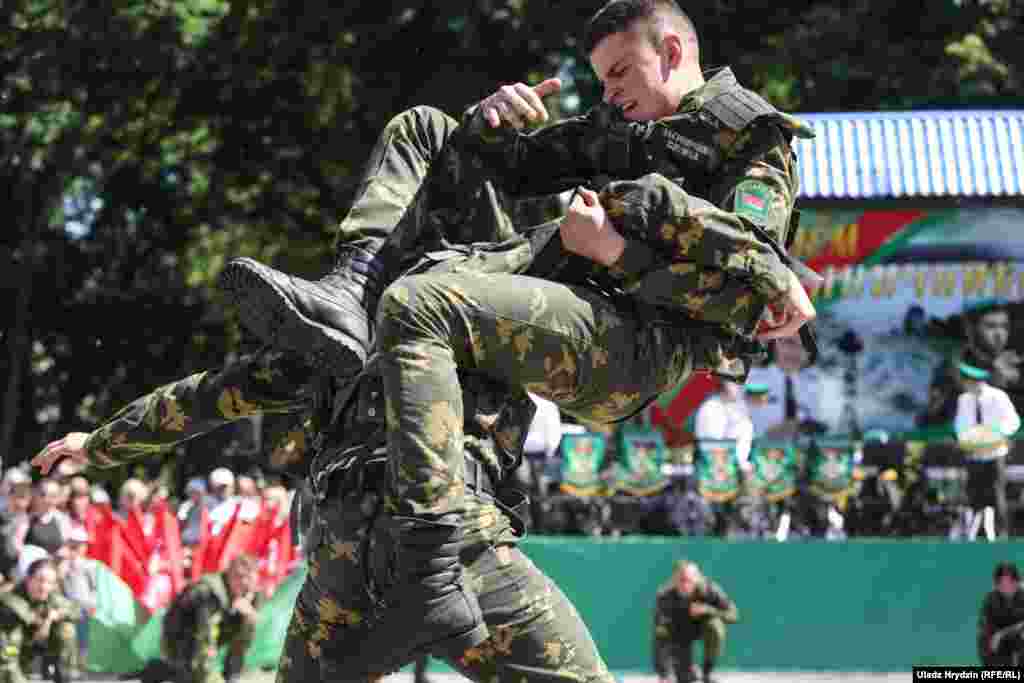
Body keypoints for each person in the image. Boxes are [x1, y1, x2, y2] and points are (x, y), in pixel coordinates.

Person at [35, 1, 815, 680]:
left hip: (461, 535)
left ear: (671, 52)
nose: (608, 97)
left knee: (422, 299)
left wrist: (620, 244)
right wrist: (100, 442)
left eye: (618, 76)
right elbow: (223, 388)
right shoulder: (370, 323)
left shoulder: (733, 142)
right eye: (604, 81)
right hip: (349, 548)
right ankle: (348, 284)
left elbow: (747, 291)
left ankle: (432, 559)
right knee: (430, 134)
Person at [143, 554, 262, 683]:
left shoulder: (244, 593)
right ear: (232, 576)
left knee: (247, 622)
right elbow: (204, 640)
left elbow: (244, 632)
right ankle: (162, 669)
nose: (246, 586)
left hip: (198, 643)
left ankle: (231, 675)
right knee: (189, 673)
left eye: (250, 581)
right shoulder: (209, 593)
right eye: (240, 579)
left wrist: (248, 614)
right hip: (181, 642)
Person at [923, 301, 1024, 426]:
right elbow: (931, 417)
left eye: (1004, 327)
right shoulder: (951, 368)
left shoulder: (1015, 367)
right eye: (990, 326)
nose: (999, 334)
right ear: (971, 330)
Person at [954, 362, 1021, 540]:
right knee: (973, 497)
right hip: (974, 456)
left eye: (967, 380)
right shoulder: (964, 400)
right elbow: (960, 426)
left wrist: (996, 434)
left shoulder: (998, 397)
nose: (965, 384)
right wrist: (968, 438)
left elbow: (1013, 421)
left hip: (994, 454)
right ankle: (973, 535)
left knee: (997, 496)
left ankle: (1001, 535)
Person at [653, 560, 738, 683]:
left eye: (689, 579)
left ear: (698, 578)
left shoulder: (710, 590)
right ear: (674, 580)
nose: (685, 583)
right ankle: (689, 671)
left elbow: (733, 615)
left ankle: (707, 672)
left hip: (703, 627)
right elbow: (660, 636)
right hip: (679, 634)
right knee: (684, 678)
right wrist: (663, 674)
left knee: (715, 626)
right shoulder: (665, 597)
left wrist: (708, 610)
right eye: (681, 579)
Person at [0, 558, 79, 683]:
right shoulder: (10, 599)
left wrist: (56, 615)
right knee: (12, 642)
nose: (44, 586)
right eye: (40, 580)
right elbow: (8, 658)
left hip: (34, 643)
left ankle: (63, 676)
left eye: (50, 582)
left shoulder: (50, 595)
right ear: (28, 579)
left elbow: (75, 610)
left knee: (66, 630)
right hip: (11, 650)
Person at [745, 334, 838, 438]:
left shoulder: (823, 384)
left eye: (804, 345)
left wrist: (801, 428)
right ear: (774, 344)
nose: (795, 350)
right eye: (789, 342)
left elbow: (833, 428)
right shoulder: (752, 380)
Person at [979, 561, 1024, 666]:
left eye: (1011, 582)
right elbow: (986, 635)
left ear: (1017, 582)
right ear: (996, 585)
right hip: (998, 648)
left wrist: (1003, 633)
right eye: (1001, 583)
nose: (1006, 586)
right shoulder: (990, 600)